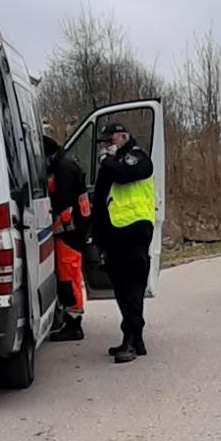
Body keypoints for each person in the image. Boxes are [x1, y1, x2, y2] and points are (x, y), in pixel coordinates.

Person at [90, 121, 156, 364]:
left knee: (132, 287)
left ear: (122, 136)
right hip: (115, 234)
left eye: (110, 140)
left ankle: (132, 337)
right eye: (105, 143)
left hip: (135, 232)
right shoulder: (112, 162)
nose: (107, 146)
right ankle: (133, 339)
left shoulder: (137, 157)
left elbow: (126, 176)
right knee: (120, 287)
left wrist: (106, 161)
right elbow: (101, 198)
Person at [43, 134, 89, 341]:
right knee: (67, 277)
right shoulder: (65, 166)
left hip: (69, 233)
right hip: (70, 232)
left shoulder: (64, 170)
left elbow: (64, 203)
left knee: (69, 278)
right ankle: (70, 318)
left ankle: (74, 324)